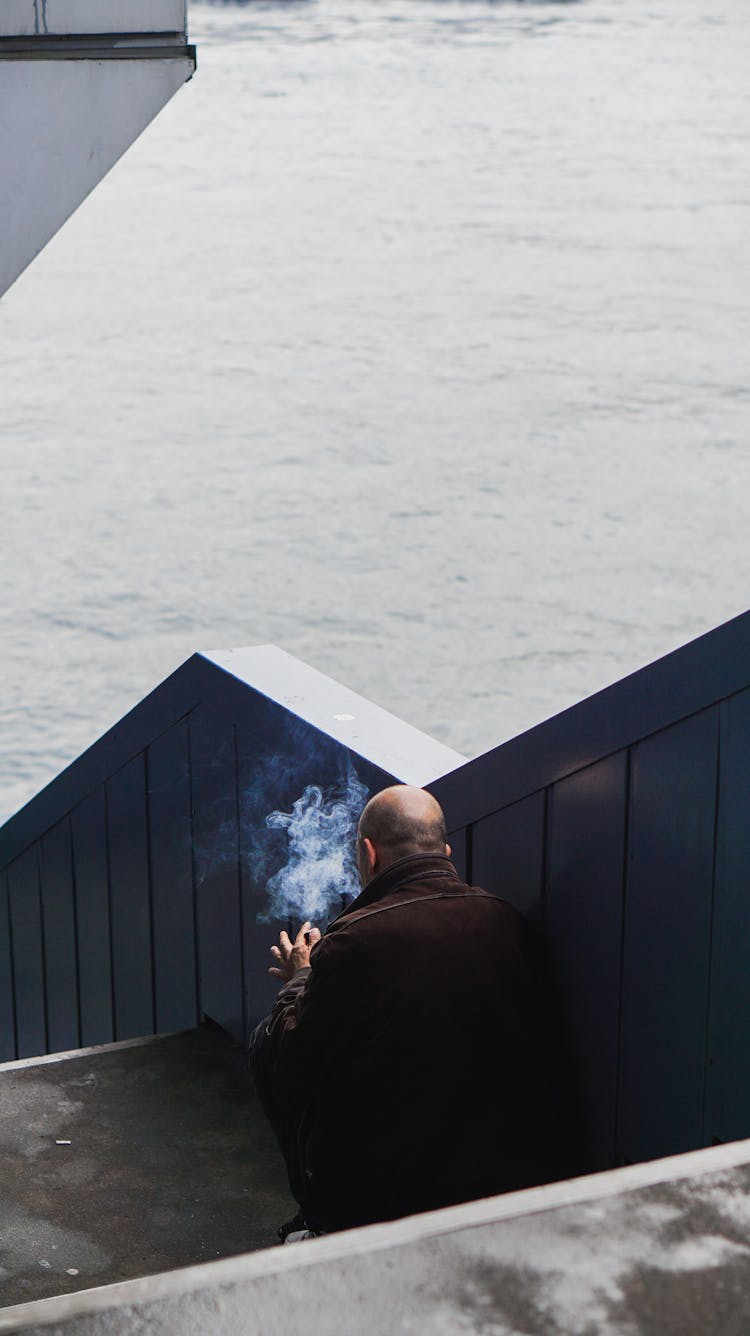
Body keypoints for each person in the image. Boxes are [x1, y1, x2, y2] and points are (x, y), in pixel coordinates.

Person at [248, 784, 558, 1238]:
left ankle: (321, 1222)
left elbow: (294, 1064)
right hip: (502, 1171)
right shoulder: (506, 919)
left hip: (389, 1192)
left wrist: (301, 979)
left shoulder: (354, 941)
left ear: (368, 855)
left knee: (268, 1041)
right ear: (446, 852)